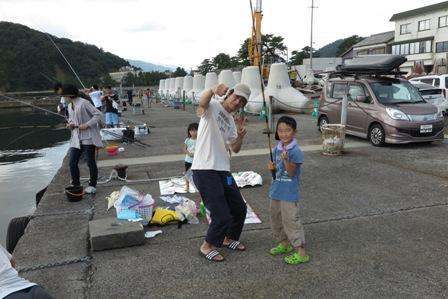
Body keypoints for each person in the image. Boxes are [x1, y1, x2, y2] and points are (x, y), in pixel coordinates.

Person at [191, 83, 251, 262]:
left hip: (223, 170)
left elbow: (235, 148)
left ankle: (228, 238)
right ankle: (207, 245)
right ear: (230, 94)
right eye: (236, 96)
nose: (237, 101)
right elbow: (202, 104)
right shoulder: (213, 105)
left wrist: (240, 136)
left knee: (239, 208)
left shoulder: (232, 121)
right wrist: (212, 89)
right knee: (221, 213)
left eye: (242, 101)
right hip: (205, 168)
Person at [267, 116, 310, 265]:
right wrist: (271, 168)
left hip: (289, 194)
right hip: (276, 191)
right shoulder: (276, 149)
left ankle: (300, 252)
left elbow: (291, 172)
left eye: (288, 130)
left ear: (294, 131)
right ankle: (284, 244)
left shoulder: (296, 151)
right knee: (276, 219)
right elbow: (276, 170)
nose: (284, 134)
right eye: (280, 130)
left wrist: (286, 160)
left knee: (291, 221)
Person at [64, 84, 103, 194]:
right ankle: (76, 184)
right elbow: (71, 119)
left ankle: (92, 185)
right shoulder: (69, 106)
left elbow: (98, 114)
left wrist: (87, 124)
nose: (64, 98)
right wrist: (70, 124)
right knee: (72, 162)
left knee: (90, 162)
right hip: (76, 137)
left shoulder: (84, 103)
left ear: (69, 95)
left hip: (88, 137)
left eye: (65, 96)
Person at [183, 122, 198, 192]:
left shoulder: (200, 139)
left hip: (197, 160)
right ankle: (187, 185)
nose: (193, 132)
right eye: (191, 130)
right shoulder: (187, 140)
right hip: (188, 160)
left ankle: (197, 185)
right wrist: (188, 153)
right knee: (187, 174)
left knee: (197, 174)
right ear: (189, 131)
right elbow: (184, 149)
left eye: (195, 130)